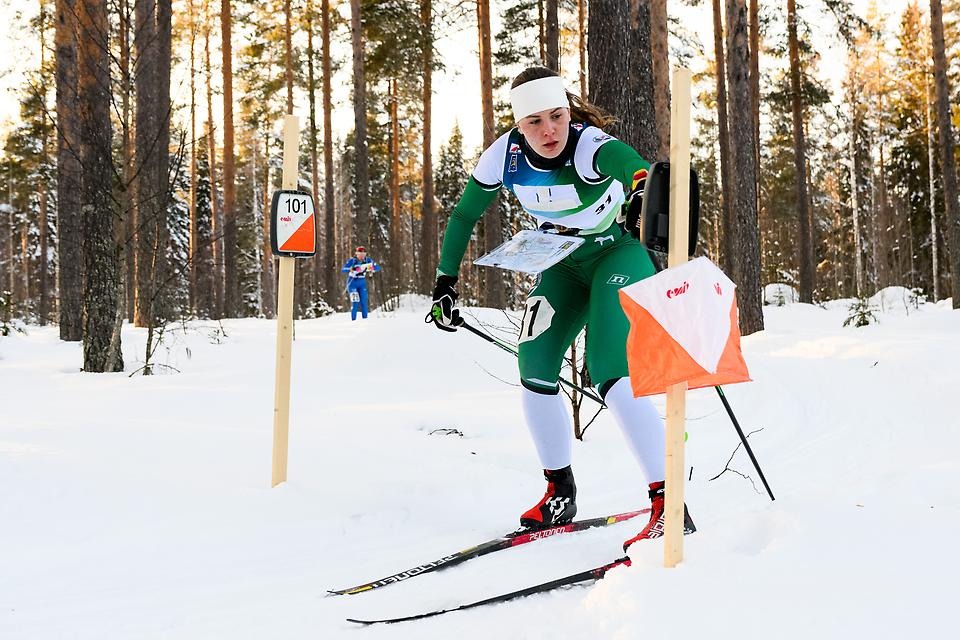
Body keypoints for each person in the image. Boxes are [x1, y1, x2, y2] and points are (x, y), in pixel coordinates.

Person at [427, 66, 695, 551]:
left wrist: (641, 188)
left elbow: (636, 167)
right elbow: (465, 214)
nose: (550, 130)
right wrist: (445, 281)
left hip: (616, 255)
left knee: (608, 367)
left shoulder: (588, 146)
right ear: (518, 124)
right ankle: (559, 492)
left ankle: (668, 501)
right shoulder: (503, 156)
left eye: (557, 116)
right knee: (534, 363)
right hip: (562, 262)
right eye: (535, 121)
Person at [342, 246, 380, 321]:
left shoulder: (368, 260)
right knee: (355, 302)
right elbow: (343, 269)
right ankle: (353, 320)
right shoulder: (352, 260)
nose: (362, 256)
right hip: (352, 282)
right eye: (360, 254)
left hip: (362, 283)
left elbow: (377, 267)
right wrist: (351, 269)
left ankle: (365, 321)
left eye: (363, 254)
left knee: (363, 302)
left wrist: (371, 268)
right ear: (356, 254)